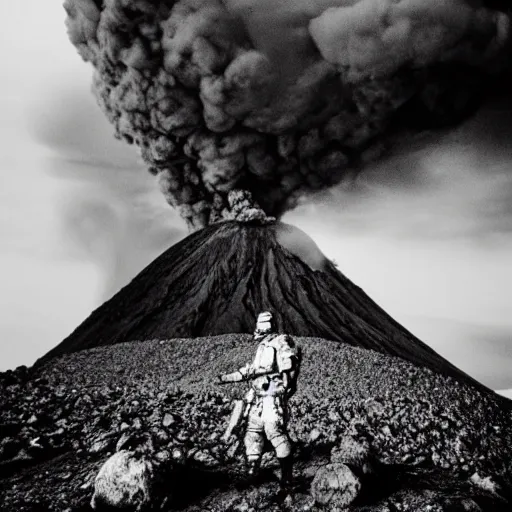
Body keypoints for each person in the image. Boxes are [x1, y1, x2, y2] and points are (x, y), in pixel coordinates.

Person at [218, 311, 300, 495]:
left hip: (271, 398)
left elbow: (288, 362)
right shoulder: (263, 346)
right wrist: (225, 378)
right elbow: (251, 371)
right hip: (258, 397)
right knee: (252, 432)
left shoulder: (280, 342)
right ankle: (252, 472)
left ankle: (287, 480)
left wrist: (285, 382)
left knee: (275, 433)